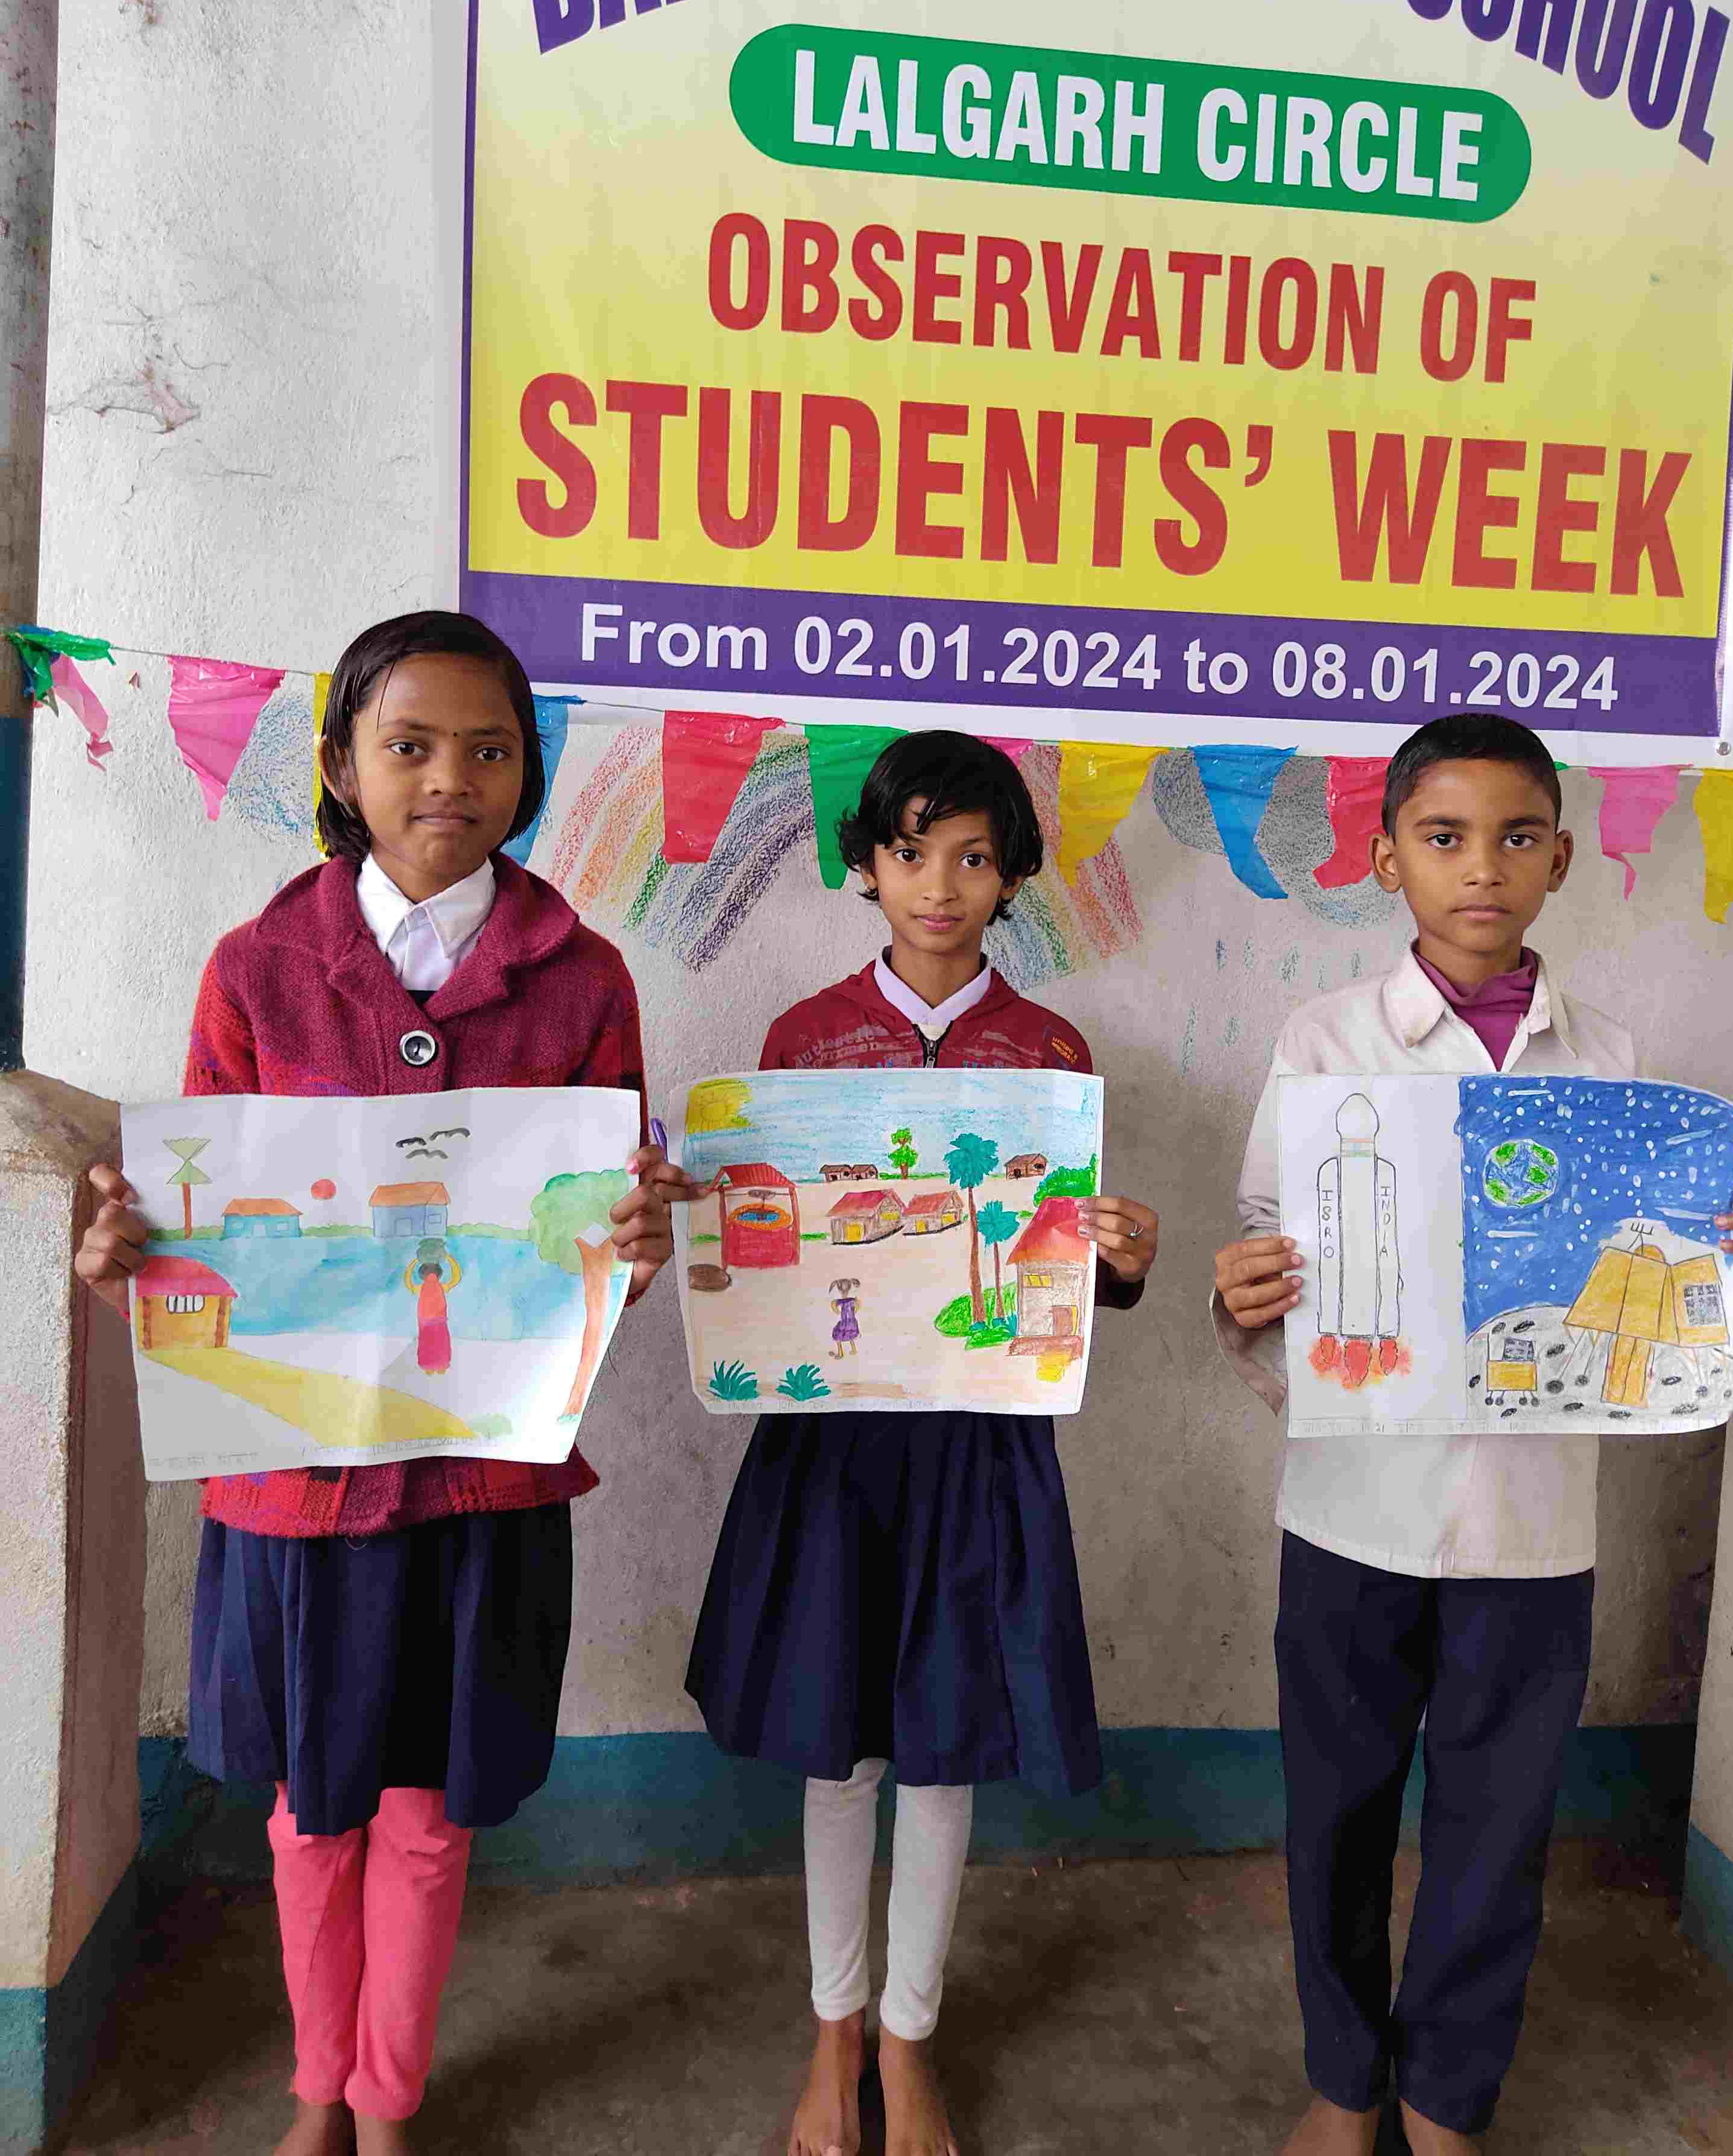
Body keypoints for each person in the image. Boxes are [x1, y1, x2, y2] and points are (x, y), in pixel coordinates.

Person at [74, 611, 689, 2156]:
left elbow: (600, 1235)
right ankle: (314, 2087)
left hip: (480, 1478)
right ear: (341, 767)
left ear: (528, 770)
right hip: (299, 1485)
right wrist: (135, 1251)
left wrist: (637, 1242)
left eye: (489, 748)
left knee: (427, 1812)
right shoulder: (257, 969)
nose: (449, 779)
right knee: (312, 1805)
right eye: (408, 744)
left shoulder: (585, 978)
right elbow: (205, 1215)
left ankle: (388, 2095)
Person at [1210, 713, 1733, 2156]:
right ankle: (1343, 2085)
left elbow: (1648, 1296)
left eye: (1517, 836)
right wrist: (1243, 1295)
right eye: (1446, 835)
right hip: (1351, 1509)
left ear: (1562, 860)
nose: (1483, 867)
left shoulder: (1613, 1060)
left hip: (1534, 1529)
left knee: (1499, 1827)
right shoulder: (1324, 1042)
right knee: (1337, 1811)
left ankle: (1445, 2099)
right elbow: (1269, 1240)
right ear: (1387, 857)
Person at [686, 730, 1161, 2156]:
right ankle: (834, 2030)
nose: (939, 884)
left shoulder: (1052, 1054)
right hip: (833, 1448)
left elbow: (1066, 1270)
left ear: (1012, 875)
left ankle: (910, 2037)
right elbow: (761, 1246)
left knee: (944, 1748)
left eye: (972, 856)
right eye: (911, 851)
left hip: (980, 1445)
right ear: (867, 865)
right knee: (837, 1749)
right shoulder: (802, 1038)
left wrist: (1122, 1260)